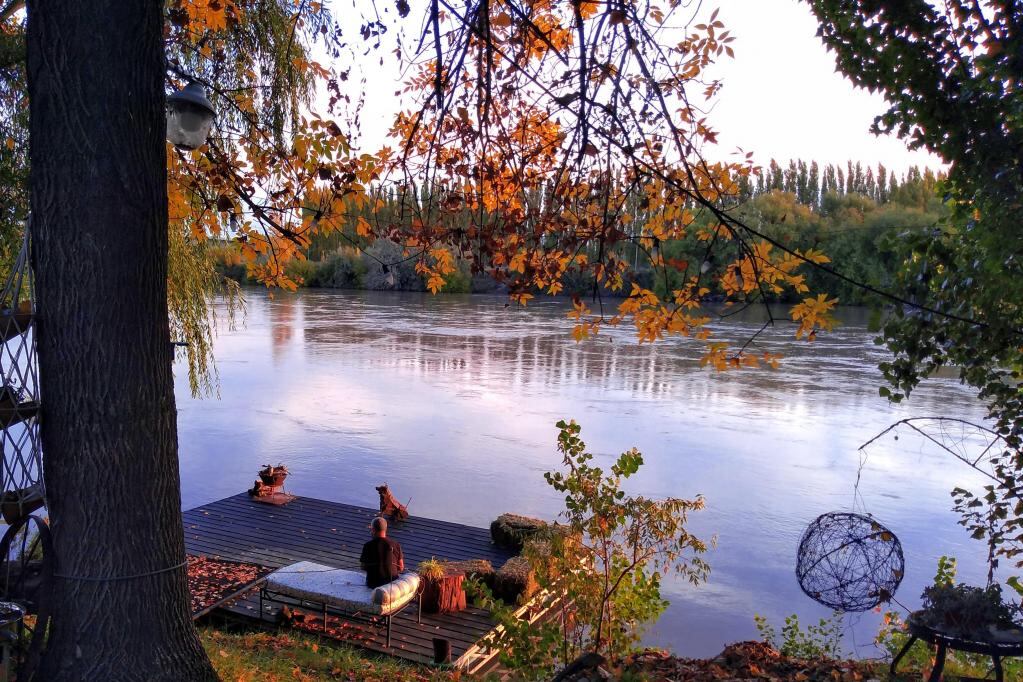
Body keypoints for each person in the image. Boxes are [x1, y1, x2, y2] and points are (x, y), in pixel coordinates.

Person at [360, 516, 404, 588]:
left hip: (373, 584)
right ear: (385, 529)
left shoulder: (368, 546)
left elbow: (363, 567)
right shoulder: (396, 545)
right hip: (391, 585)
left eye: (371, 529)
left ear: (373, 530)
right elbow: (401, 567)